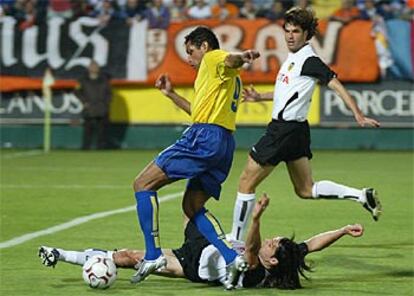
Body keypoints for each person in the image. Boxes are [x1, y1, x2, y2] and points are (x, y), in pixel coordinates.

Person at [229, 6, 382, 242]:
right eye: (287, 30)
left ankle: (236, 241)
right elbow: (288, 92)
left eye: (296, 31)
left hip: (283, 130)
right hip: (297, 131)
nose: (290, 35)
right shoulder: (294, 59)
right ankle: (361, 195)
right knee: (306, 189)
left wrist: (358, 115)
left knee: (245, 182)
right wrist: (260, 97)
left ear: (307, 34)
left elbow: (335, 83)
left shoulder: (309, 60)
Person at [130, 26, 260, 290]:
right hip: (224, 143)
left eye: (190, 52)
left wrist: (243, 56)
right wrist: (171, 94)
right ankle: (231, 257)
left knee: (142, 184)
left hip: (204, 138)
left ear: (204, 46)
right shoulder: (222, 79)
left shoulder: (213, 59)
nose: (188, 59)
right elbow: (199, 112)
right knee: (191, 207)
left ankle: (153, 255)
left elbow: (229, 58)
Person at [38, 194, 365, 289]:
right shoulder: (282, 256)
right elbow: (312, 244)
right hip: (206, 243)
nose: (271, 240)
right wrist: (342, 229)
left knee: (127, 256)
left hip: (191, 264)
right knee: (191, 203)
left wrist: (257, 218)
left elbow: (251, 248)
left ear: (273, 260)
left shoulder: (254, 272)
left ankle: (61, 254)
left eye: (274, 243)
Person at [74, 60, 112, 150]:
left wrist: (106, 103)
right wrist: (84, 102)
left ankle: (102, 148)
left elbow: (109, 93)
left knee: (102, 130)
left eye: (96, 66)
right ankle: (85, 148)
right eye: (92, 66)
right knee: (87, 130)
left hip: (102, 108)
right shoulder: (82, 80)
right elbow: (77, 92)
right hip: (89, 108)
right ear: (89, 68)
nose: (94, 68)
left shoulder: (104, 79)